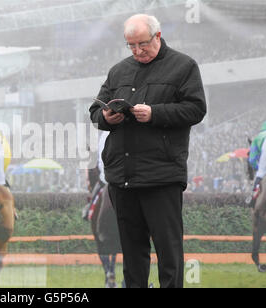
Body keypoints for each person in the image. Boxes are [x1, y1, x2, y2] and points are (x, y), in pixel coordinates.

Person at [89, 14, 206, 288]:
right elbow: (95, 111)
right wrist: (107, 117)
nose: (137, 51)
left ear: (158, 35)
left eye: (142, 43)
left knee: (169, 251)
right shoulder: (118, 70)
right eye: (131, 45)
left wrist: (155, 113)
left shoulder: (184, 66)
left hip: (162, 175)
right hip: (122, 177)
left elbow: (196, 109)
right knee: (131, 253)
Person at [82, 131, 109, 220]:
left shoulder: (105, 134)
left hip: (107, 178)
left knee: (98, 188)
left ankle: (89, 209)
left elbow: (100, 164)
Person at [249, 136, 266, 208]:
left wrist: (258, 168)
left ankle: (253, 197)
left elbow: (252, 160)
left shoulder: (259, 138)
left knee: (261, 173)